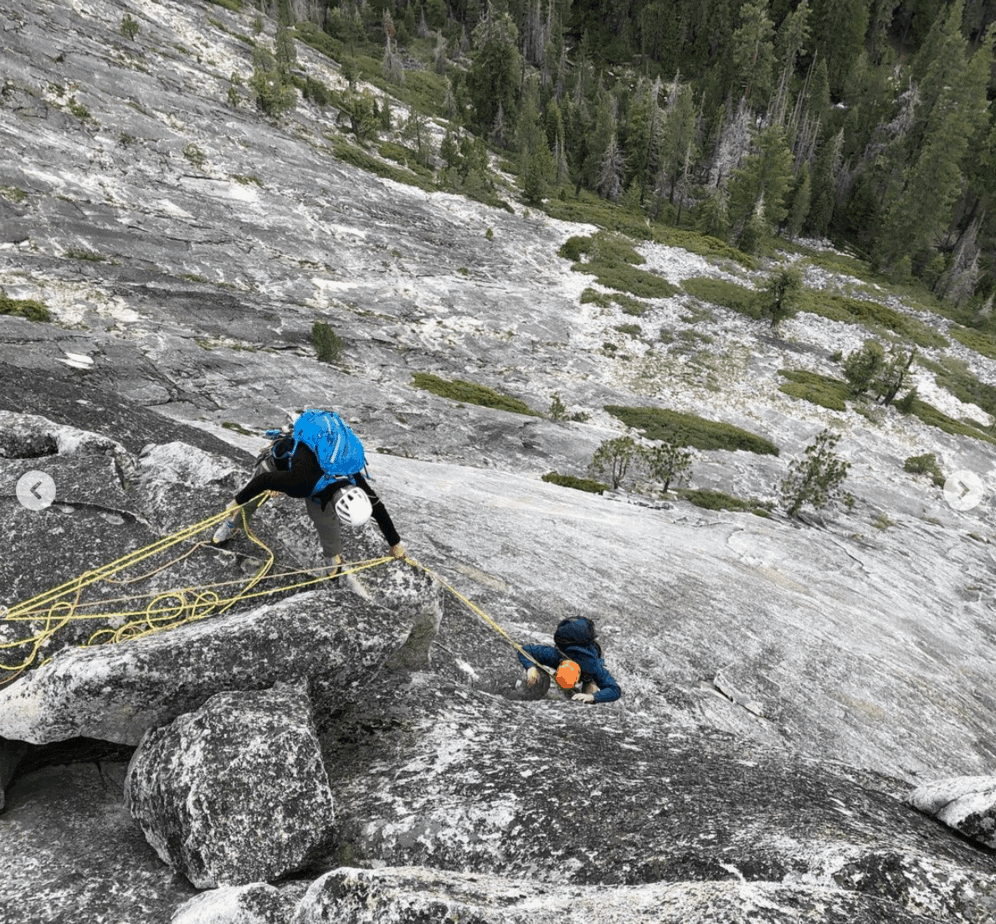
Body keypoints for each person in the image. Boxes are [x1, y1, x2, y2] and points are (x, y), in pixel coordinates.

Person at [213, 408, 405, 576]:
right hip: (283, 461)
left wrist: (394, 543)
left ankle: (333, 556)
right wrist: (236, 502)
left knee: (325, 520)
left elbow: (378, 508)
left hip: (313, 471)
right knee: (252, 498)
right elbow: (263, 481)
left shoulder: (353, 477)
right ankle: (233, 522)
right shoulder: (301, 483)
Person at [516, 616, 621, 704]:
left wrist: (593, 697)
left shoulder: (592, 665)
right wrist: (531, 668)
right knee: (538, 681)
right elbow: (525, 650)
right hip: (570, 665)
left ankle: (585, 691)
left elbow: (614, 690)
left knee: (587, 698)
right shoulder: (556, 655)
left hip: (587, 676)